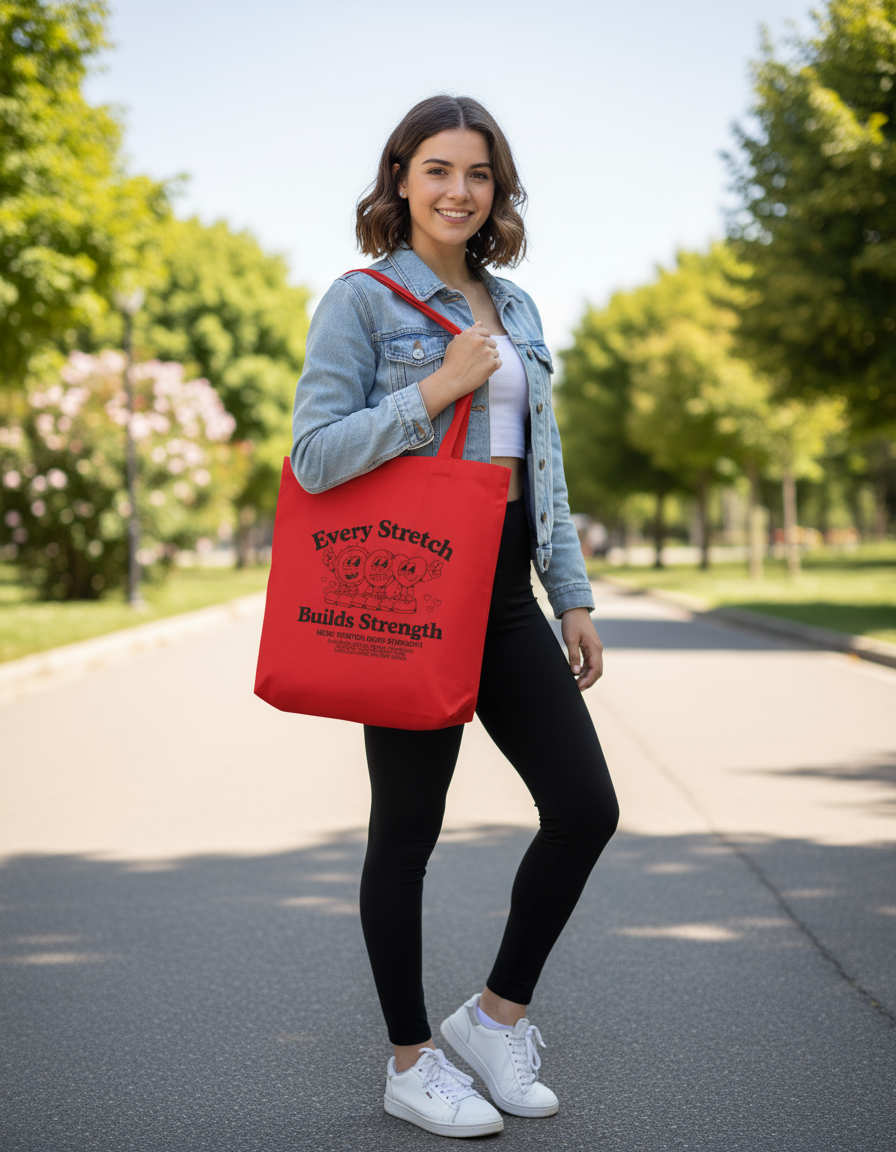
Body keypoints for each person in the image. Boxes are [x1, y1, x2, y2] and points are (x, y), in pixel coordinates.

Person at [291, 94, 619, 1139]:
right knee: (406, 837)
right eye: (436, 169)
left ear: (497, 190)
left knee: (584, 807)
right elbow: (313, 456)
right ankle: (408, 1058)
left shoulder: (516, 309)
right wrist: (432, 390)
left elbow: (542, 470)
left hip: (507, 596)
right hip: (409, 598)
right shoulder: (360, 302)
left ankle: (491, 1017)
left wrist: (567, 591)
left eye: (477, 174)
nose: (456, 191)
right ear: (399, 180)